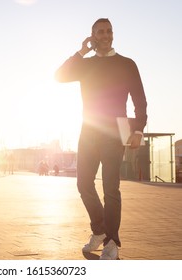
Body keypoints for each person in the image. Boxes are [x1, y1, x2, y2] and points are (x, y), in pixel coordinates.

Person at [55, 18, 147, 260]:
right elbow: (59, 76)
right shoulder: (85, 65)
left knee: (110, 188)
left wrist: (138, 130)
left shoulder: (127, 64)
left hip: (115, 132)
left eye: (108, 31)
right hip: (88, 130)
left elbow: (140, 100)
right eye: (100, 32)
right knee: (83, 183)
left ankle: (112, 241)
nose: (105, 35)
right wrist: (82, 50)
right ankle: (99, 230)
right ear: (93, 35)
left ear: (113, 34)